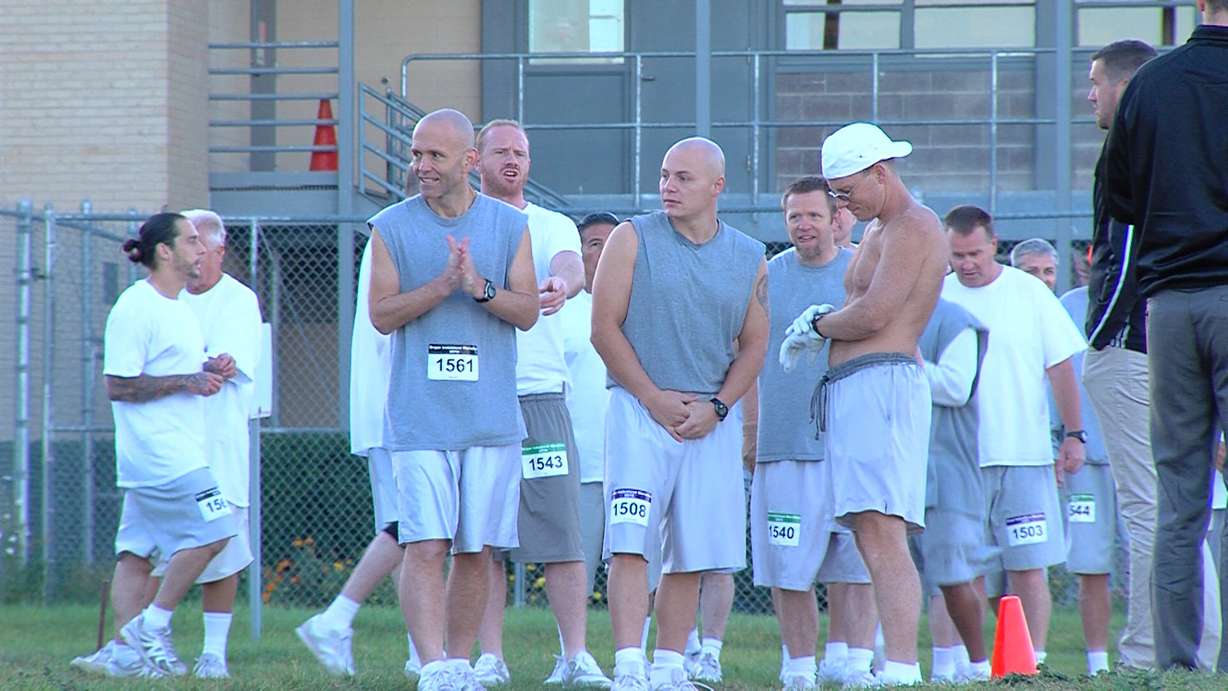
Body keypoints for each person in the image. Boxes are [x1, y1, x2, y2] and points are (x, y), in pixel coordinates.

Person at [367, 108, 539, 690]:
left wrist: (478, 289)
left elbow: (527, 312)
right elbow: (381, 316)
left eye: (434, 156)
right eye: (417, 154)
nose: (421, 166)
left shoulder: (510, 227)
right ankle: (432, 665)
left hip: (490, 422)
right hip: (420, 420)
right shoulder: (390, 226)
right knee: (425, 543)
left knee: (475, 548)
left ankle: (458, 664)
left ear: (468, 161)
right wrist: (440, 288)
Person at [592, 136, 768, 690]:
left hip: (708, 422)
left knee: (691, 551)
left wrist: (717, 408)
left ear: (717, 186)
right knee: (629, 541)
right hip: (639, 411)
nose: (669, 186)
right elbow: (603, 328)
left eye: (683, 177)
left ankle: (670, 668)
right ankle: (628, 667)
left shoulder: (747, 253)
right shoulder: (632, 237)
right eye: (666, 175)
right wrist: (650, 396)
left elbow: (755, 346)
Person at [782, 122, 948, 684]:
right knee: (866, 527)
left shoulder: (914, 225)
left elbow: (876, 313)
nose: (839, 203)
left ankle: (901, 667)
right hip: (855, 388)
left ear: (880, 171)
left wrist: (816, 323)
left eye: (846, 190)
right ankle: (891, 660)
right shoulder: (878, 227)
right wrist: (825, 327)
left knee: (883, 526)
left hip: (884, 384)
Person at [1103, 1, 1228, 669]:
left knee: (1180, 493)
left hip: (1172, 303)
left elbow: (1117, 197)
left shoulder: (1150, 82)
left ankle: (1179, 664)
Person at [473, 119, 610, 687]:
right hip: (477, 399)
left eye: (521, 152)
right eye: (501, 151)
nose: (513, 160)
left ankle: (574, 656)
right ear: (475, 159)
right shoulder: (459, 222)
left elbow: (571, 266)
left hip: (540, 399)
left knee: (561, 531)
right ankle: (488, 658)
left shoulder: (550, 224)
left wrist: (561, 284)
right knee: (480, 537)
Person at [745, 175, 875, 690]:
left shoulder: (861, 271)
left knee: (856, 566)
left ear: (835, 218)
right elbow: (748, 356)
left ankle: (854, 664)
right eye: (794, 216)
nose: (803, 224)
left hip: (849, 447)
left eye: (813, 215)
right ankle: (799, 666)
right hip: (784, 444)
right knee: (787, 566)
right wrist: (751, 430)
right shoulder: (768, 277)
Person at [943, 205, 1087, 665]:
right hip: (957, 460)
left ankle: (1031, 661)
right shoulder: (936, 296)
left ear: (994, 244)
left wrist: (1073, 434)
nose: (967, 263)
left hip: (1023, 456)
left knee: (1027, 564)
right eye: (958, 255)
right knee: (959, 569)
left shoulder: (1028, 292)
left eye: (975, 253)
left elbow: (1061, 366)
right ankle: (962, 664)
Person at [99, 213, 237, 677]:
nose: (201, 250)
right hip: (160, 455)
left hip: (176, 449)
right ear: (165, 251)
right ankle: (152, 624)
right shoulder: (135, 307)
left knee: (135, 552)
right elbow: (118, 384)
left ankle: (124, 655)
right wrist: (186, 380)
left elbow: (168, 365)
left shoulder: (177, 305)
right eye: (192, 241)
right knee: (217, 529)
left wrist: (208, 367)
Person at [297, 237, 421, 679]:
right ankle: (335, 619)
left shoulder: (390, 238)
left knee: (412, 537)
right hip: (403, 412)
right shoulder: (402, 235)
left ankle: (421, 652)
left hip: (397, 411)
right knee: (411, 529)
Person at [169, 209, 261, 679]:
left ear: (221, 251)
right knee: (152, 548)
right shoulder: (163, 298)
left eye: (203, 249)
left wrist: (218, 363)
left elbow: (232, 365)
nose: (196, 259)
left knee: (221, 548)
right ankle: (138, 642)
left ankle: (213, 653)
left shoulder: (239, 300)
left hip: (219, 449)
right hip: (167, 449)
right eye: (189, 248)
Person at [910, 297, 991, 683]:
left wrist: (902, 362)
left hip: (947, 472)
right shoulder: (877, 307)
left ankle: (978, 667)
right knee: (890, 573)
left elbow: (957, 387)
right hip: (895, 467)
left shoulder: (957, 320)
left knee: (952, 575)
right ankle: (895, 664)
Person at [1055, 284, 1118, 675]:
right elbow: (1057, 374)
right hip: (1086, 459)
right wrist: (1062, 439)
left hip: (1141, 459)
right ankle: (1098, 665)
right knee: (1091, 564)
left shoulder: (1153, 295)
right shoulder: (1069, 306)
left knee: (1153, 562)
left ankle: (1150, 657)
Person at [561, 211, 620, 602]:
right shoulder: (560, 309)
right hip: (580, 464)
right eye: (594, 244)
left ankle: (644, 655)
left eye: (612, 243)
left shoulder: (640, 305)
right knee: (574, 566)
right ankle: (572, 654)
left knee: (637, 564)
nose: (603, 252)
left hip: (632, 461)